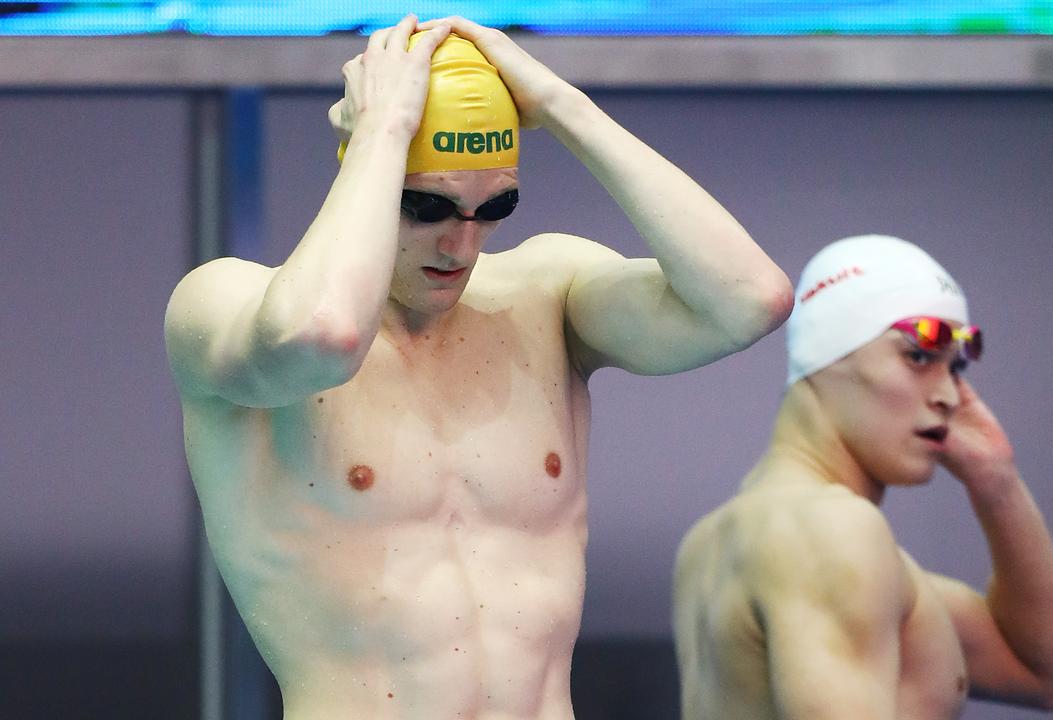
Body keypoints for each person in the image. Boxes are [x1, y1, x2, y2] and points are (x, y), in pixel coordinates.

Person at [164, 14, 791, 719]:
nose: (460, 245)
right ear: (363, 167)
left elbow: (749, 302)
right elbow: (327, 336)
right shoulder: (219, 304)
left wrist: (564, 107)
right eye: (427, 205)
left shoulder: (547, 295)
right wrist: (381, 132)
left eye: (493, 207)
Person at [673, 235, 1053, 720]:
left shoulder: (729, 536)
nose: (951, 396)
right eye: (918, 356)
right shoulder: (830, 530)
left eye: (955, 367)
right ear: (828, 356)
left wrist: (997, 484)